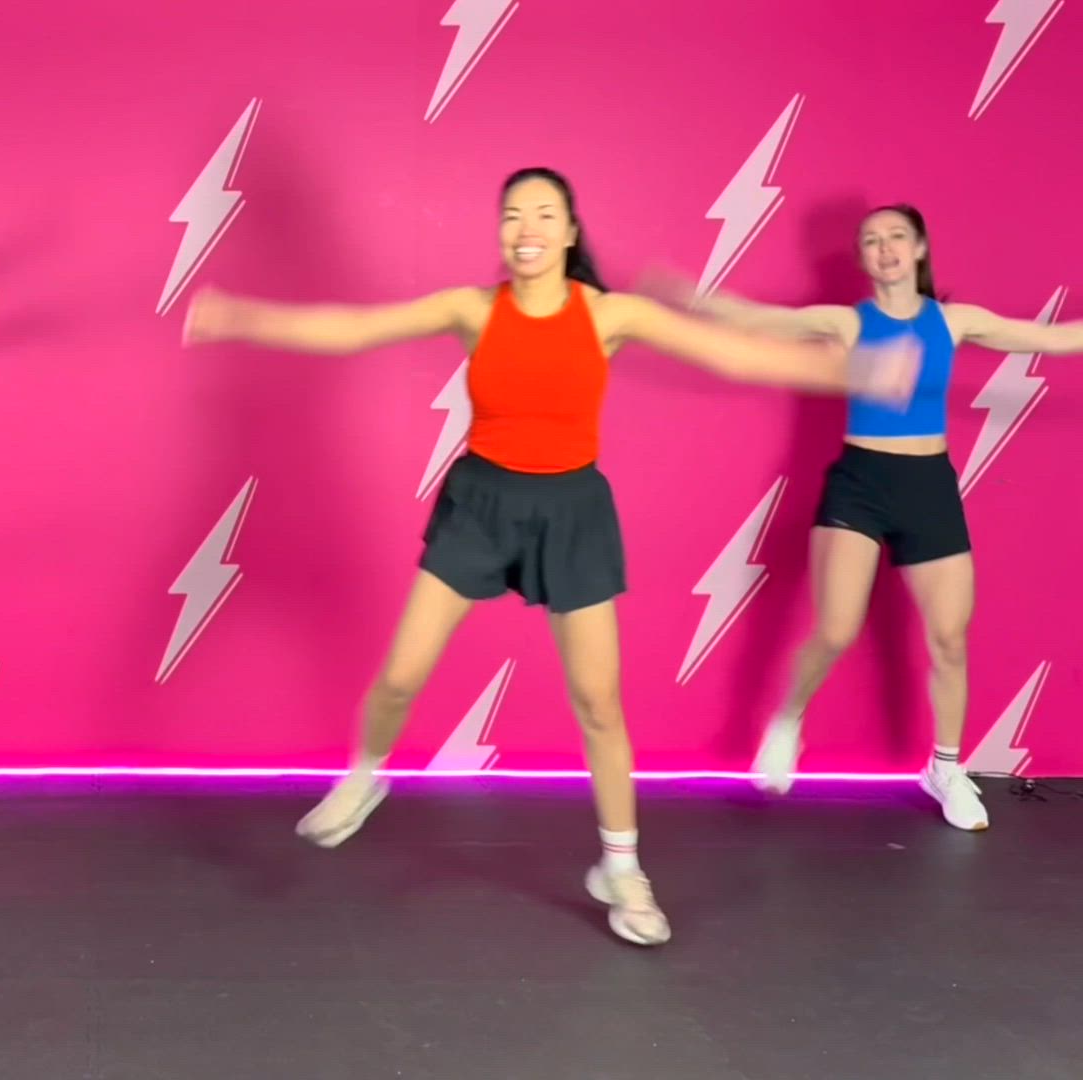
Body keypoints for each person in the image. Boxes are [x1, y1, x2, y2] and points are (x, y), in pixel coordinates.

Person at [180, 167, 920, 946]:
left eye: (543, 214)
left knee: (599, 704)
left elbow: (731, 357)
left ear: (569, 232)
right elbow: (356, 329)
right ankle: (365, 778)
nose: (525, 228)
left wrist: (855, 370)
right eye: (512, 215)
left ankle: (621, 868)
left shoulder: (608, 314)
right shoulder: (473, 309)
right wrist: (243, 317)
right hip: (481, 505)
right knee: (401, 675)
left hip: (571, 513)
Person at [670, 203, 1083, 831]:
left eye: (896, 236)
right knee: (836, 629)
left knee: (950, 638)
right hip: (860, 484)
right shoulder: (847, 322)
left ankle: (945, 769)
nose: (884, 247)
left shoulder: (953, 321)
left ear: (919, 248)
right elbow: (762, 321)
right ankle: (787, 722)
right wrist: (690, 299)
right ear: (862, 257)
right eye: (871, 240)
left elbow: (1055, 339)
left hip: (928, 486)